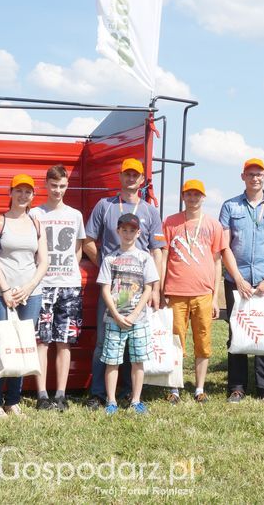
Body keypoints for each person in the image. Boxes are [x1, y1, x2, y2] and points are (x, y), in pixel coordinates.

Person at [82, 158, 166, 410]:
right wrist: (109, 269)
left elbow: (158, 250)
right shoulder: (104, 206)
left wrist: (156, 290)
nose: (131, 179)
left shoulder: (150, 211)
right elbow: (87, 241)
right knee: (103, 341)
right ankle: (99, 394)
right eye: (127, 174)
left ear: (142, 180)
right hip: (112, 290)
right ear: (120, 177)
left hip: (140, 291)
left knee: (134, 342)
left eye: (136, 175)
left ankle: (131, 394)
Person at [220, 158, 264, 402]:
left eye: (259, 174)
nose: (255, 178)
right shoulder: (230, 206)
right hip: (236, 280)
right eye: (250, 174)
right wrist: (238, 278)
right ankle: (237, 387)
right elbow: (225, 246)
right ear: (243, 177)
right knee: (236, 331)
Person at [0, 173, 48, 418]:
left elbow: (44, 261)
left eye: (28, 191)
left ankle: (13, 401)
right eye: (18, 190)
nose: (23, 195)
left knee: (23, 346)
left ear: (33, 195)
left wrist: (29, 287)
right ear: (10, 192)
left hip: (30, 295)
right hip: (2, 294)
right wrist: (5, 291)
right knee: (4, 346)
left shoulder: (36, 223)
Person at [162, 179, 226, 404]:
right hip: (176, 291)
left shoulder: (213, 225)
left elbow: (218, 261)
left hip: (203, 293)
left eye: (197, 195)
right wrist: (161, 290)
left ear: (203, 197)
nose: (192, 198)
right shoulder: (170, 222)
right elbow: (163, 257)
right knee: (175, 341)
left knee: (203, 341)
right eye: (189, 194)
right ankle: (174, 387)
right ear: (182, 196)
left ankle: (199, 388)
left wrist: (216, 296)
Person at [30, 164, 86, 412]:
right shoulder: (35, 214)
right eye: (54, 185)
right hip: (42, 285)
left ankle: (61, 394)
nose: (58, 190)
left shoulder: (75, 215)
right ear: (46, 185)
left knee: (64, 341)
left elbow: (78, 248)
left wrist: (71, 271)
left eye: (62, 186)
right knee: (42, 340)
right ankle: (42, 394)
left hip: (69, 286)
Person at [97, 213, 159, 415]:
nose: (128, 233)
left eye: (132, 230)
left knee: (138, 361)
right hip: (114, 318)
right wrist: (115, 314)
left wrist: (134, 315)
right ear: (118, 231)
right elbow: (105, 289)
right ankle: (112, 401)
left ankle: (136, 400)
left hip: (138, 320)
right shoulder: (110, 258)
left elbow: (149, 288)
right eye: (124, 230)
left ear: (139, 232)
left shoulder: (145, 258)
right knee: (112, 361)